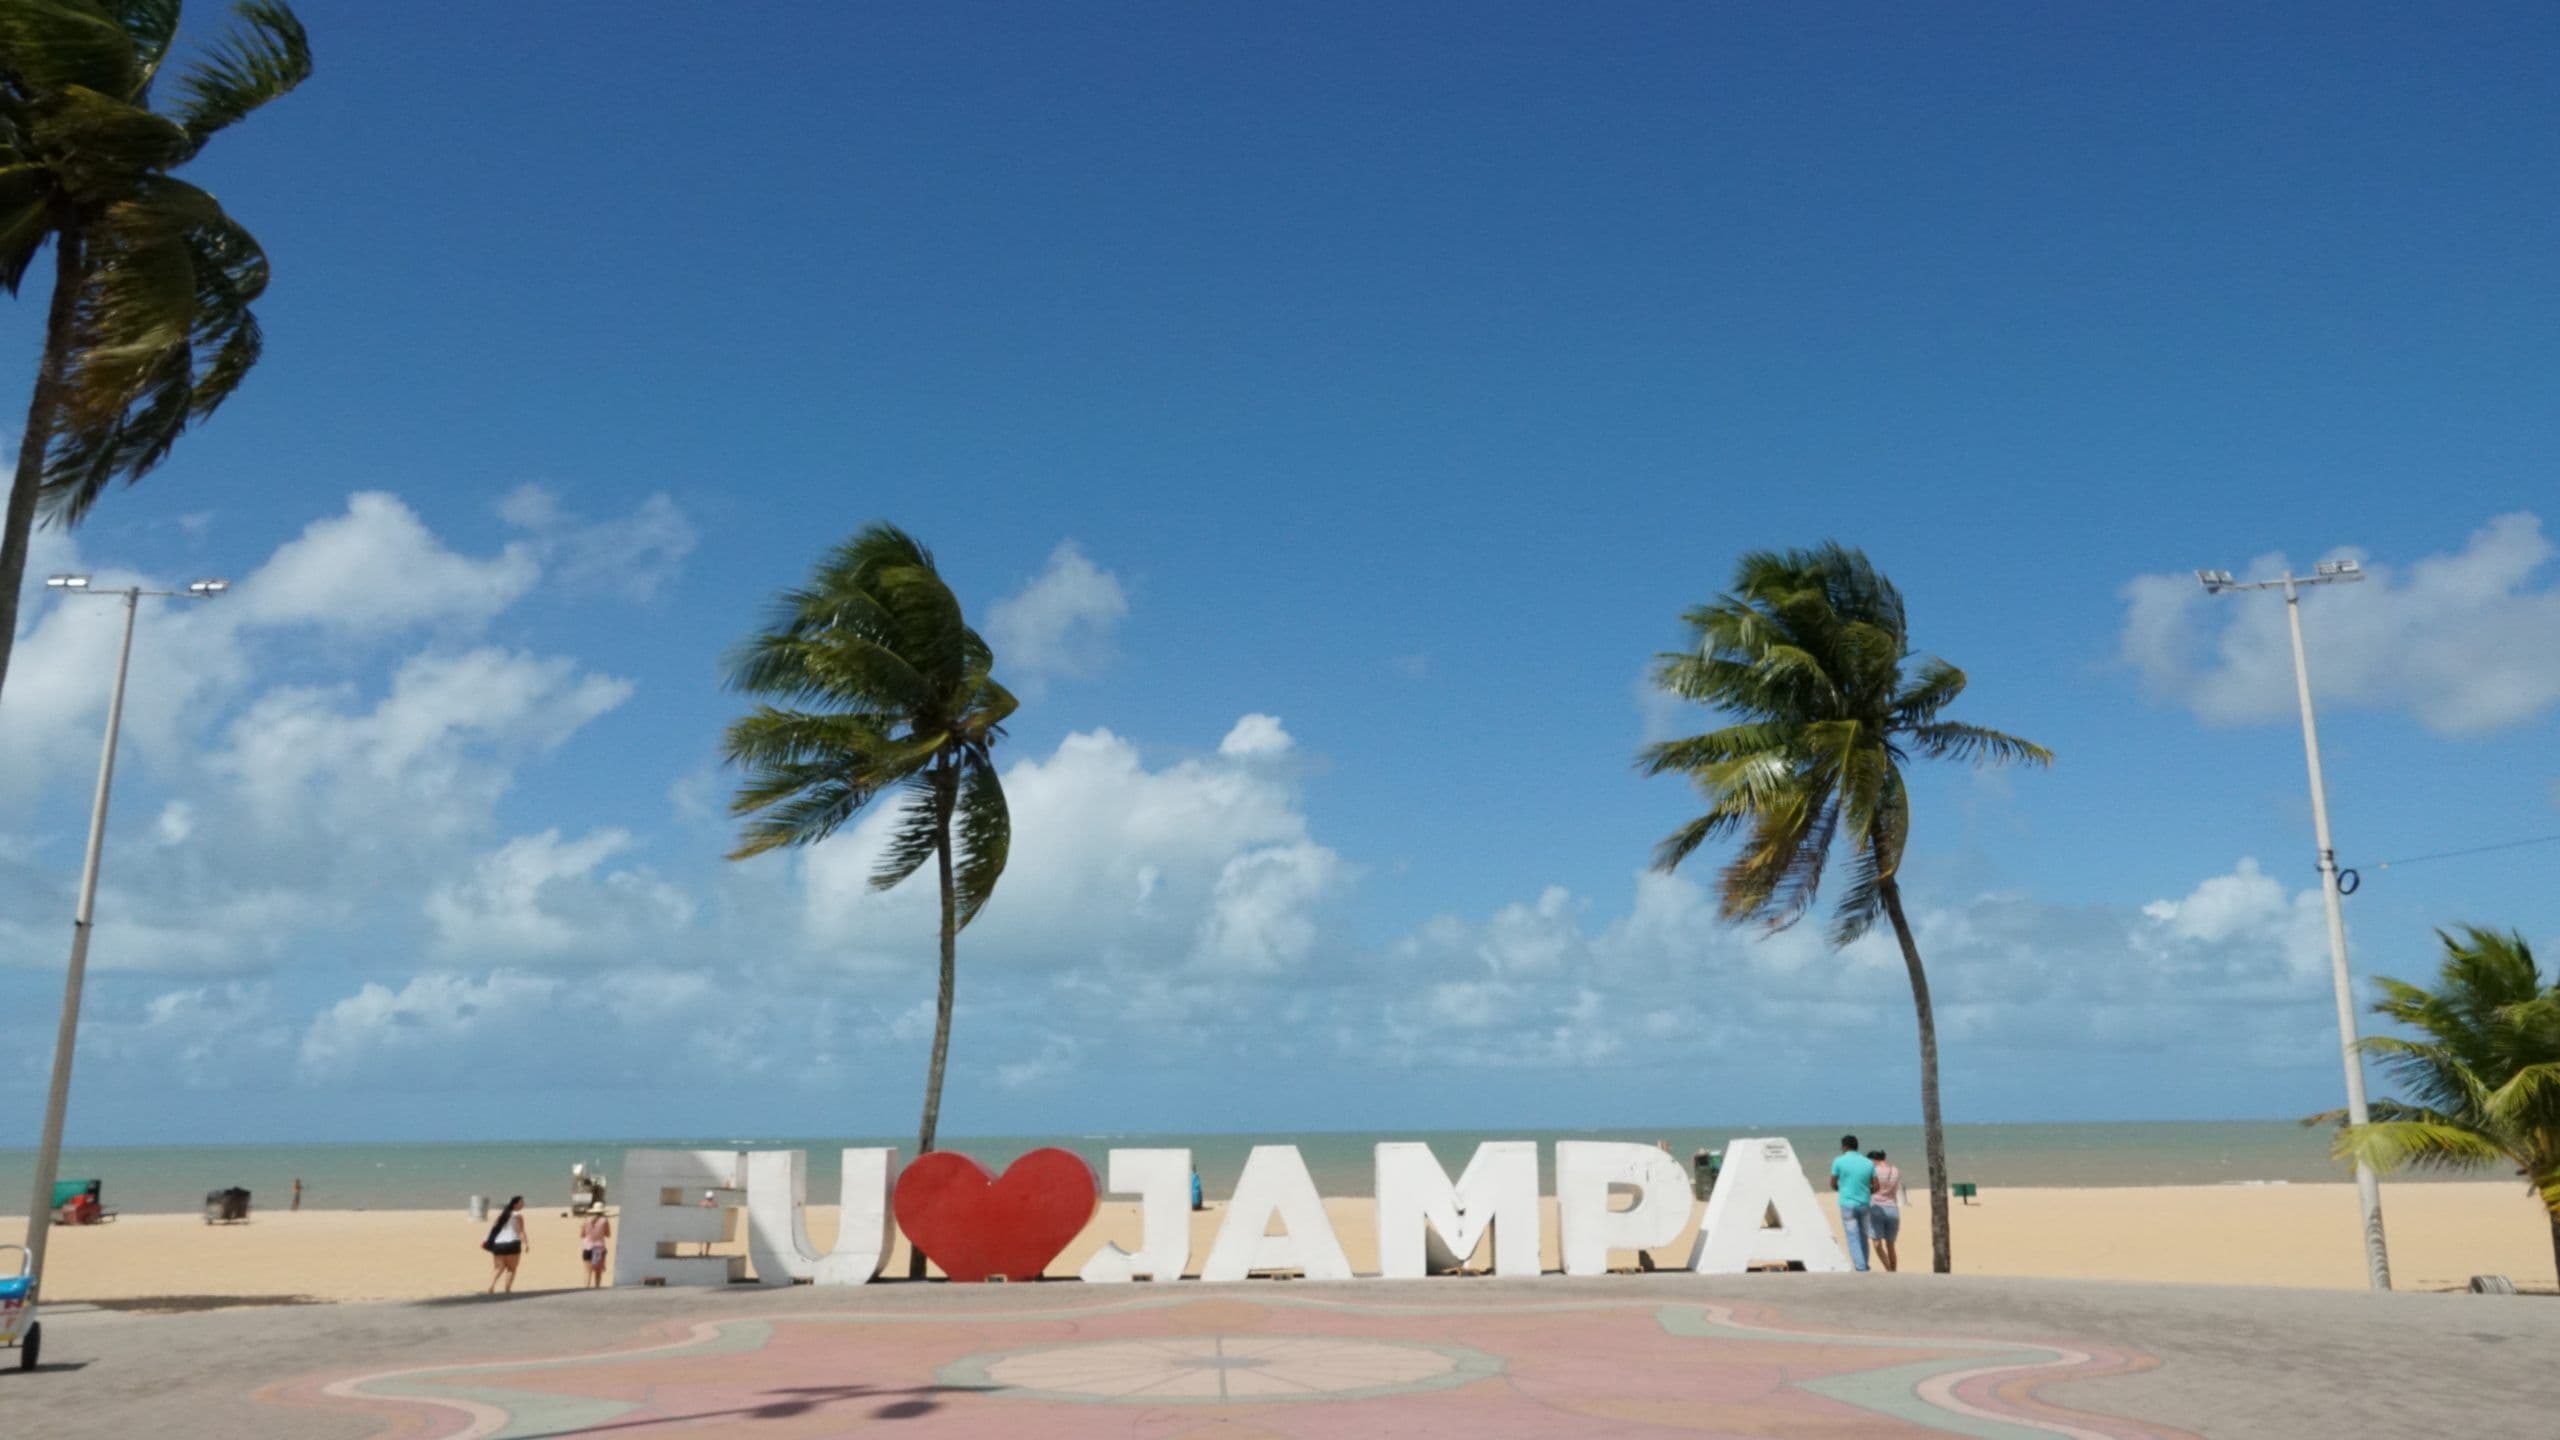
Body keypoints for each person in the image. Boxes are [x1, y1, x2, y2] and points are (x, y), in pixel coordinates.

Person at [1828, 1135, 1877, 1273]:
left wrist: (1842, 1190)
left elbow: (1832, 1183)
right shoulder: (1868, 1162)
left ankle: (1861, 1267)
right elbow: (1876, 1186)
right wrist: (1866, 1192)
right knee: (1863, 1236)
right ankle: (1864, 1264)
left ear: (1844, 1147)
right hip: (1864, 1204)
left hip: (1847, 1204)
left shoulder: (1838, 1161)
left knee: (1852, 1236)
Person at [1866, 1149, 1902, 1273]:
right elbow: (1894, 1189)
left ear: (1873, 1159)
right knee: (1891, 1245)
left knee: (1876, 1244)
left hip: (1876, 1208)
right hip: (1893, 1209)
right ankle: (1893, 1270)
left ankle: (1889, 1270)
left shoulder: (1873, 1170)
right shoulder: (1895, 1170)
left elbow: (1870, 1187)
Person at [483, 1195, 529, 1294]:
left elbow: (494, 1229)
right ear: (515, 1204)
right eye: (521, 1202)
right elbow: (521, 1231)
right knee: (511, 1269)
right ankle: (507, 1290)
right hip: (513, 1243)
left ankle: (491, 1285)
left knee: (498, 1268)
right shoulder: (518, 1216)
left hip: (499, 1244)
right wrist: (526, 1244)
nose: (523, 1204)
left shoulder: (501, 1215)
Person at [580, 1209, 612, 1289]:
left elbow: (582, 1235)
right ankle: (597, 1289)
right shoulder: (604, 1221)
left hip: (587, 1247)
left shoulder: (586, 1220)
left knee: (587, 1271)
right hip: (599, 1247)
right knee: (598, 1271)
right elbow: (608, 1234)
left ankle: (586, 1288)